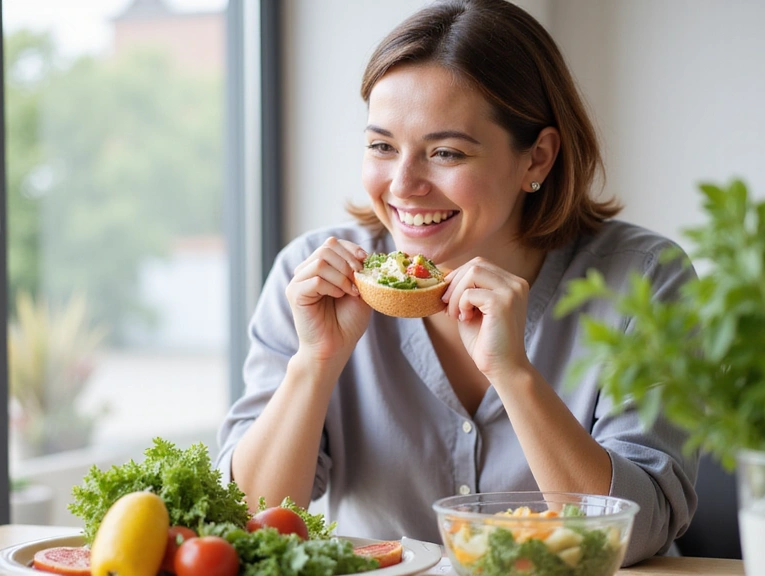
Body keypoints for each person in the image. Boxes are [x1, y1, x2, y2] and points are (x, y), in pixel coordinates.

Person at [217, 0, 697, 565]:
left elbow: (640, 534)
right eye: (381, 146)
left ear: (537, 159)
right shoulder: (311, 276)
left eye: (445, 152)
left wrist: (514, 374)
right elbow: (248, 522)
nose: (404, 185)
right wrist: (314, 363)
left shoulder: (643, 280)